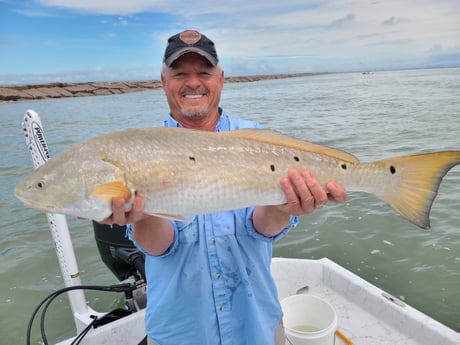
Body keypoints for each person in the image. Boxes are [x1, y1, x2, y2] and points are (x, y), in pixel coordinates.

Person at [102, 30, 346, 345]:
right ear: (163, 80)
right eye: (180, 74)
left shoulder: (258, 139)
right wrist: (143, 214)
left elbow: (262, 229)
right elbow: (160, 248)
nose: (193, 82)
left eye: (204, 72)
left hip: (256, 324)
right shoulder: (142, 150)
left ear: (221, 78)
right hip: (180, 331)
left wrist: (284, 207)